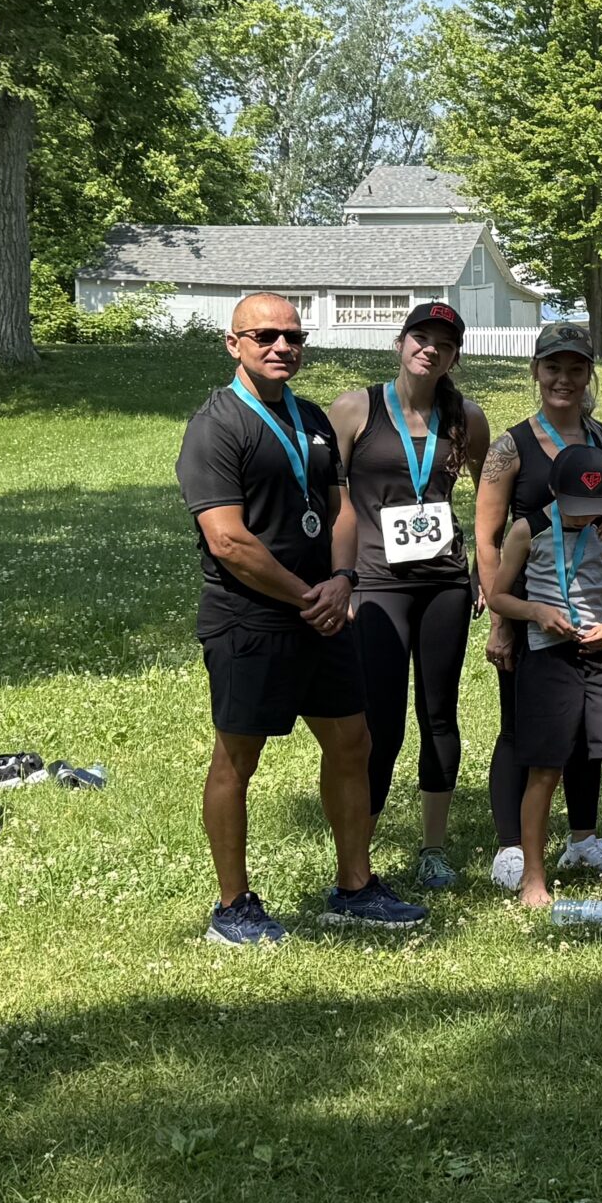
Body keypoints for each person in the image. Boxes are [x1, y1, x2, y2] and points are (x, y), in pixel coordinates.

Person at [175, 292, 427, 944]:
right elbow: (227, 539)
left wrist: (341, 581)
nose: (282, 346)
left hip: (324, 613)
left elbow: (341, 509)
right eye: (264, 336)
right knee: (238, 758)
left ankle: (354, 887)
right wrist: (306, 595)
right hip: (250, 618)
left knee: (352, 743)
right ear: (234, 344)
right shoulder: (216, 426)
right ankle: (233, 907)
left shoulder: (310, 418)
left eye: (293, 336)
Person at [327, 300, 489, 887]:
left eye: (443, 344)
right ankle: (359, 856)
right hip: (376, 583)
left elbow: (489, 500)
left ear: (454, 357)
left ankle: (433, 849)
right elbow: (331, 499)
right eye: (421, 337)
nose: (430, 349)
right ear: (400, 343)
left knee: (439, 714)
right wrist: (341, 576)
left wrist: (483, 571)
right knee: (382, 722)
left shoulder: (467, 417)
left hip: (444, 583)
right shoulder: (354, 409)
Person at [474, 325, 602, 890]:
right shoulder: (511, 446)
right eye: (553, 367)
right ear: (536, 371)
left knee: (588, 729)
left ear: (589, 373)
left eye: (575, 368)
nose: (564, 379)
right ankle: (513, 846)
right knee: (522, 729)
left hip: (590, 609)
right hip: (529, 610)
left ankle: (584, 838)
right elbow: (488, 537)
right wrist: (502, 622)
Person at [484, 442, 602, 908]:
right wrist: (536, 612)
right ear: (554, 492)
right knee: (545, 771)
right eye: (574, 507)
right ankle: (533, 877)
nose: (582, 517)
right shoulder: (527, 530)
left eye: (591, 507)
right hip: (547, 658)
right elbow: (499, 596)